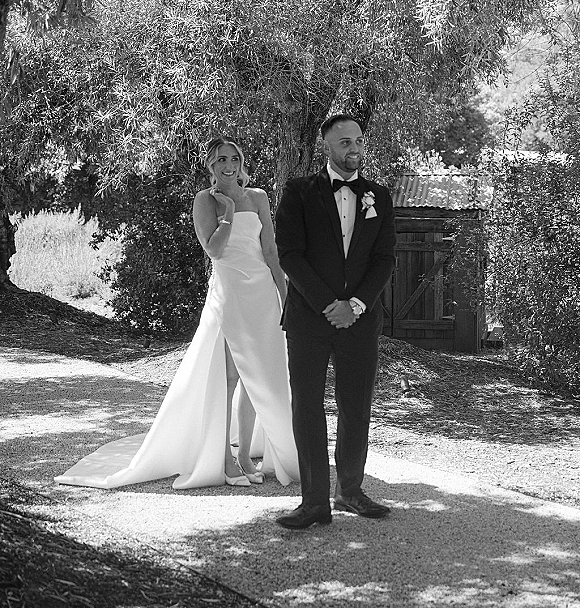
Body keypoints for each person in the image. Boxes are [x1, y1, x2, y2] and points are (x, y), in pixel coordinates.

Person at [55, 137, 299, 490]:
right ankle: (223, 459)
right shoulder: (205, 200)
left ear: (241, 161)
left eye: (234, 158)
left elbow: (272, 253)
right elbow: (214, 250)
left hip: (262, 292)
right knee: (230, 376)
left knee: (256, 376)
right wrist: (228, 214)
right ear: (211, 167)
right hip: (230, 292)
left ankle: (245, 454)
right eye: (220, 161)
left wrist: (286, 296)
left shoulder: (259, 197)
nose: (229, 165)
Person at [274, 114, 396, 528]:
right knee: (307, 406)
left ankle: (350, 491)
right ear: (326, 146)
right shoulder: (298, 192)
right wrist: (330, 304)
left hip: (361, 321)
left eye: (358, 141)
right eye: (345, 142)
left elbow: (384, 260)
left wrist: (356, 305)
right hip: (310, 318)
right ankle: (313, 502)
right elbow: (290, 254)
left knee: (356, 405)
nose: (354, 149)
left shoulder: (379, 195)